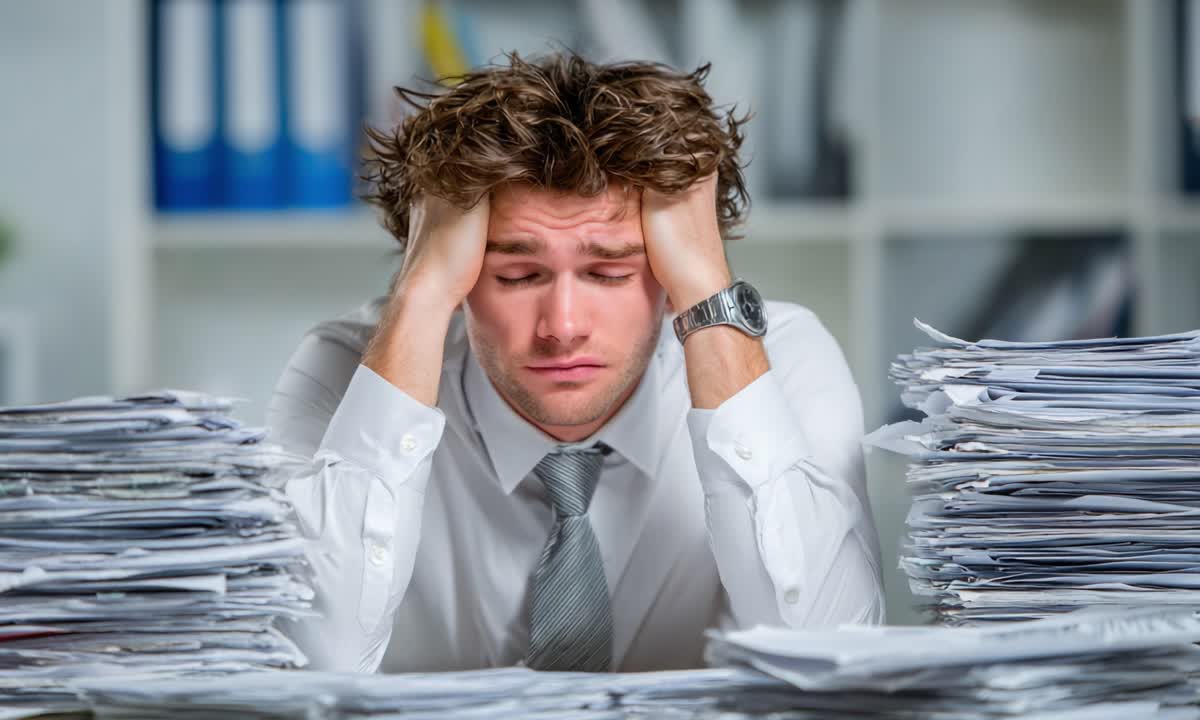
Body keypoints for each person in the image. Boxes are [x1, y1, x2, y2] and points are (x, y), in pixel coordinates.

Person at [266, 51, 884, 674]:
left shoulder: (779, 358)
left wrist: (706, 288)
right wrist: (421, 294)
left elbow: (834, 659)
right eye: (517, 274)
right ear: (462, 277)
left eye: (610, 271)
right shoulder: (347, 368)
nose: (562, 327)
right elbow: (309, 665)